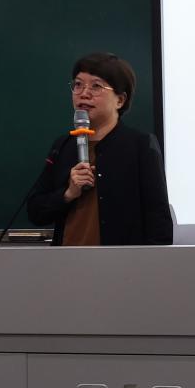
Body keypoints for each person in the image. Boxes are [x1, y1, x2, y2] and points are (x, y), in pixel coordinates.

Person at [27, 52, 173, 246]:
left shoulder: (140, 145)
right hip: (65, 261)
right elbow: (35, 212)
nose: (84, 93)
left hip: (120, 262)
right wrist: (68, 193)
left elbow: (159, 221)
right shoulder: (63, 146)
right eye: (78, 84)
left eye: (96, 86)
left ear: (120, 100)